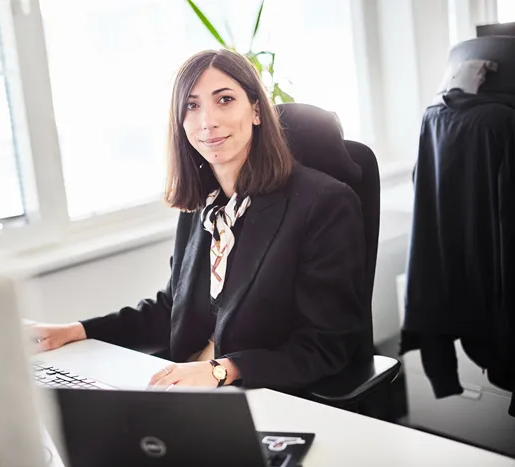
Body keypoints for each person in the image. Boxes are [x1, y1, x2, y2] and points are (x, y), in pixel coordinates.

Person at [27, 48, 369, 394]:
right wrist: (76, 331)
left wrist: (224, 370)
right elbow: (172, 310)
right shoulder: (204, 206)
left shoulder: (323, 203)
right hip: (190, 388)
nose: (208, 121)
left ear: (255, 110)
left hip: (263, 391)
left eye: (224, 100)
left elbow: (326, 345)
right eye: (192, 106)